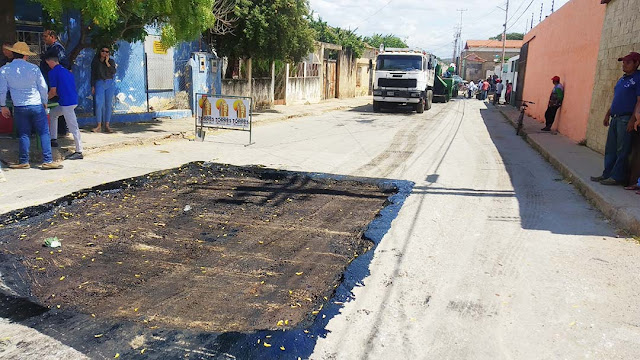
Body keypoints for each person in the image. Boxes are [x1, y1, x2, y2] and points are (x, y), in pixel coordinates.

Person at [0, 42, 63, 170]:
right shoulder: (34, 68)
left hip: (19, 106)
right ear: (26, 56)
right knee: (44, 132)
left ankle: (24, 161)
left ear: (13, 54)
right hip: (36, 104)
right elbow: (43, 87)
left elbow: (2, 90)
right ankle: (47, 160)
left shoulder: (4, 70)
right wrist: (44, 101)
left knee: (24, 134)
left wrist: (3, 106)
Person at [590, 52, 640, 186]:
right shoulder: (622, 79)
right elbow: (616, 99)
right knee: (610, 148)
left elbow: (639, 101)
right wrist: (608, 114)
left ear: (636, 63)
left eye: (628, 62)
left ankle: (617, 176)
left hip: (625, 119)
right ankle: (607, 174)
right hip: (615, 117)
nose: (624, 65)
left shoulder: (638, 78)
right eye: (623, 62)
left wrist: (632, 119)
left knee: (622, 150)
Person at [45, 55, 83, 160]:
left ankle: (79, 151)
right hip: (72, 100)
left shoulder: (52, 72)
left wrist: (44, 100)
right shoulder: (67, 71)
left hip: (66, 102)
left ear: (50, 61)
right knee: (53, 113)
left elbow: (53, 91)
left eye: (47, 63)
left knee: (73, 127)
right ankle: (53, 139)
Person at [91, 46, 116, 133]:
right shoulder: (95, 61)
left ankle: (107, 125)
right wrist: (92, 85)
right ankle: (98, 125)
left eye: (107, 52)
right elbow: (93, 74)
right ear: (100, 52)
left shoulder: (111, 61)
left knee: (108, 104)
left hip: (109, 83)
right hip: (99, 83)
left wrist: (107, 62)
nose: (105, 53)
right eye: (103, 51)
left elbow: (113, 71)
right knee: (99, 104)